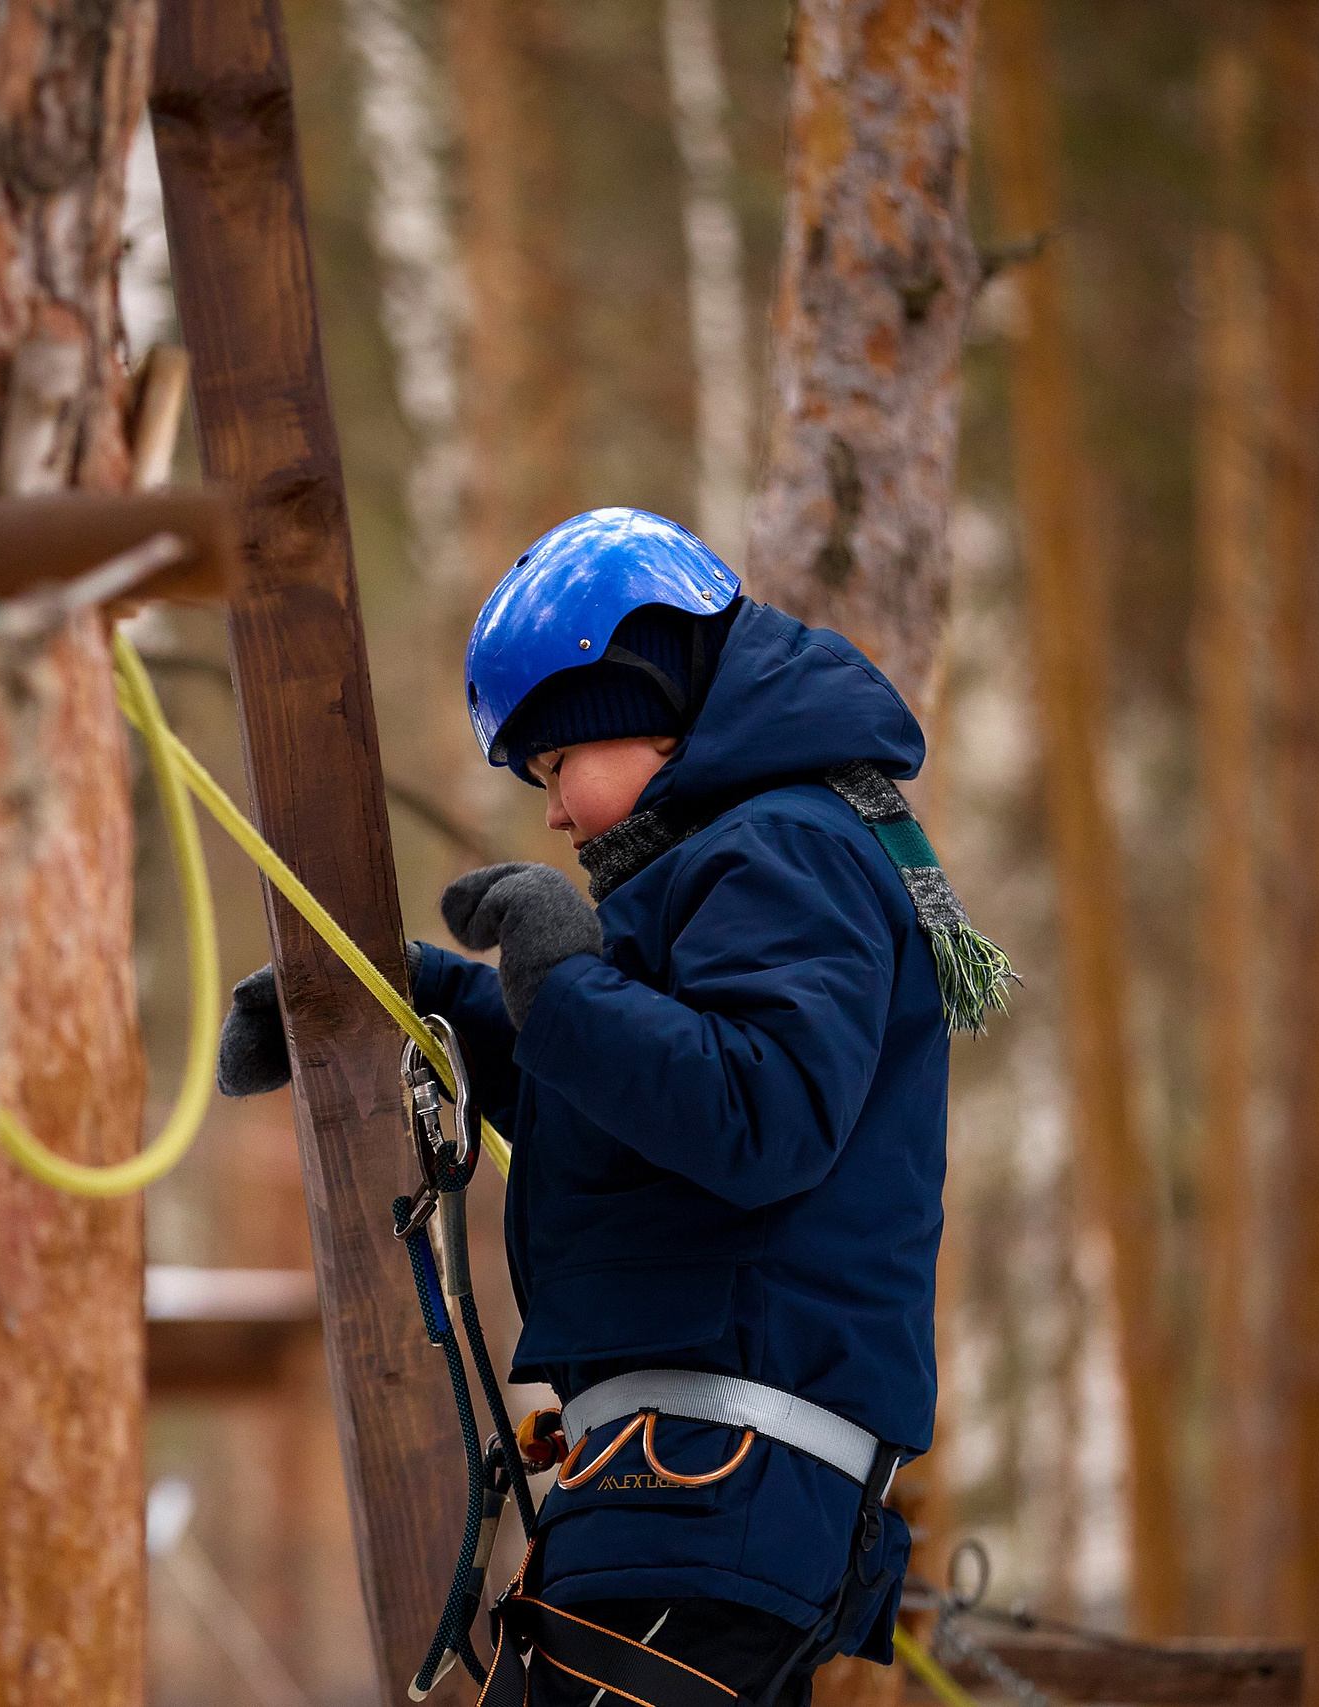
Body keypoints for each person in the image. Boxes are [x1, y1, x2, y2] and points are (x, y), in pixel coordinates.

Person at [216, 508, 1007, 1707]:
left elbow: (759, 1114)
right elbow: (635, 1118)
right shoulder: (737, 861)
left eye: (553, 766)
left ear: (637, 704)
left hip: (715, 1474)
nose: (551, 812)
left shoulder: (785, 850)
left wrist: (563, 987)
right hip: (693, 1480)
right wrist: (417, 1000)